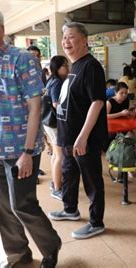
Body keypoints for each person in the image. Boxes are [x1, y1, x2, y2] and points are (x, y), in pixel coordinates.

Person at [0, 3, 61, 268]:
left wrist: (27, 153)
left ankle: (50, 246)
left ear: (1, 28)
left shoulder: (22, 59)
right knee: (2, 207)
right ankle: (18, 254)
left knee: (22, 205)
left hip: (21, 150)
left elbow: (36, 107)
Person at [48, 22, 107, 240]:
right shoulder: (76, 66)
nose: (66, 41)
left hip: (84, 139)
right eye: (64, 37)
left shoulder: (91, 66)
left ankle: (96, 222)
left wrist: (82, 137)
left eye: (71, 37)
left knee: (92, 180)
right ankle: (70, 209)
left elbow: (97, 102)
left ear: (84, 40)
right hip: (68, 137)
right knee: (69, 173)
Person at [43, 55, 69, 201]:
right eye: (64, 65)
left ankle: (55, 182)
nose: (68, 67)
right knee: (60, 156)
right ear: (57, 68)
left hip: (48, 122)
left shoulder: (51, 80)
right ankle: (57, 189)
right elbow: (55, 104)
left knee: (55, 154)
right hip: (54, 123)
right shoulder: (58, 82)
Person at [27, 45, 47, 177]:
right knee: (30, 143)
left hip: (41, 112)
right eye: (31, 55)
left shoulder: (41, 72)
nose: (34, 58)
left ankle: (36, 168)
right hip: (27, 115)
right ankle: (31, 173)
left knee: (39, 141)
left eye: (37, 55)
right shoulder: (24, 72)